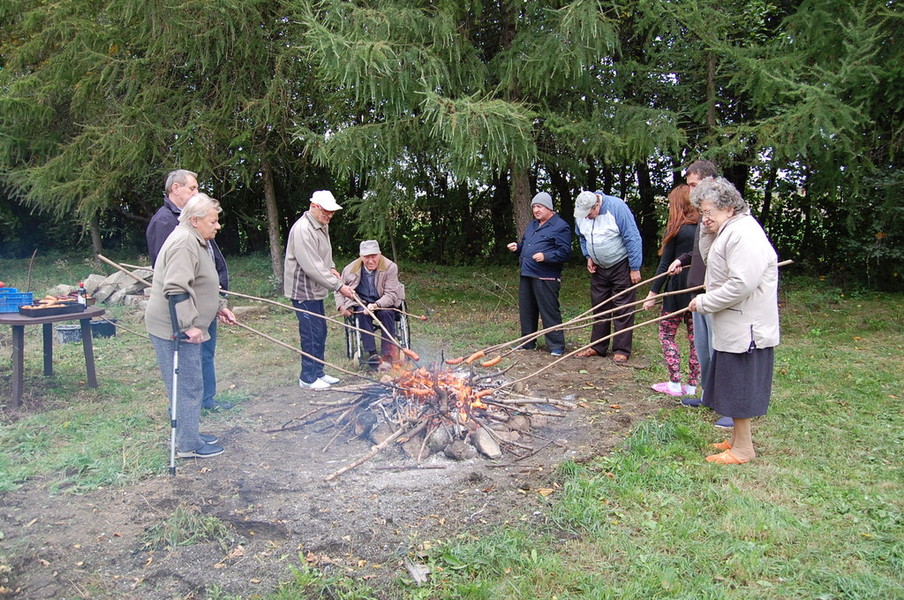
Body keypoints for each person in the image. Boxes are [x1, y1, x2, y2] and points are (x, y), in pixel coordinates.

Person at [688, 177, 779, 464]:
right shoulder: (728, 230)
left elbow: (742, 284)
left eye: (708, 211)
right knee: (733, 383)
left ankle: (744, 450)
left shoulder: (743, 234)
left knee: (740, 387)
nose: (704, 218)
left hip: (748, 328)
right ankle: (738, 440)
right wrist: (707, 229)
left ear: (729, 208)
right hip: (735, 325)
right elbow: (711, 261)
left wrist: (704, 302)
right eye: (701, 212)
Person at [145, 193, 237, 458]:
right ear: (195, 220)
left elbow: (200, 282)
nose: (217, 226)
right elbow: (176, 288)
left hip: (181, 324)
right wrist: (187, 325)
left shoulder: (195, 239)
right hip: (173, 327)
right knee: (188, 385)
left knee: (190, 383)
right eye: (213, 221)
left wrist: (219, 306)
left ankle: (189, 432)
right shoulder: (185, 242)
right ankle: (187, 445)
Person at [668, 160, 733, 427]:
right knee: (704, 348)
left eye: (694, 184)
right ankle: (709, 395)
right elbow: (701, 251)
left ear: (710, 182)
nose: (690, 190)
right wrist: (683, 259)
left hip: (717, 293)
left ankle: (729, 405)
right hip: (700, 291)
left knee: (722, 349)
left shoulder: (724, 214)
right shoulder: (703, 214)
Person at [284, 190, 355, 390]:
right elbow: (312, 267)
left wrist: (331, 267)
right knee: (311, 333)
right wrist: (339, 287)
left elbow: (324, 254)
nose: (330, 215)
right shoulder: (303, 229)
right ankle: (307, 378)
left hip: (315, 289)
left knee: (321, 330)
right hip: (303, 290)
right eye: (326, 211)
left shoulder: (321, 225)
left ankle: (318, 372)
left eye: (332, 212)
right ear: (313, 207)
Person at [573, 190, 643, 362]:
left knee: (623, 307)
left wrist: (635, 267)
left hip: (621, 264)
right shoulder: (581, 214)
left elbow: (632, 237)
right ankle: (598, 346)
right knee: (599, 306)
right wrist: (588, 256)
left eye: (589, 213)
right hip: (598, 267)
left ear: (597, 205)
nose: (586, 217)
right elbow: (582, 237)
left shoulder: (617, 208)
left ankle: (621, 349)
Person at [643, 184, 700, 396]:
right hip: (698, 289)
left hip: (676, 290)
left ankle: (675, 382)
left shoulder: (676, 229)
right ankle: (692, 385)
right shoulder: (704, 228)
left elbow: (664, 264)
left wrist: (652, 295)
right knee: (696, 339)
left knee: (667, 333)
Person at [506, 192, 572, 356]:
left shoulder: (560, 226)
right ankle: (528, 343)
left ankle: (556, 346)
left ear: (549, 208)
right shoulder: (532, 225)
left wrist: (546, 256)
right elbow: (526, 245)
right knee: (527, 311)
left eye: (540, 206)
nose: (536, 210)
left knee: (549, 311)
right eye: (534, 207)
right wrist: (518, 248)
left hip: (546, 276)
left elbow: (565, 252)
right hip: (527, 273)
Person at [336, 240, 405, 368]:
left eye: (374, 256)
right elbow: (339, 289)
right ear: (361, 256)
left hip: (384, 301)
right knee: (362, 315)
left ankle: (388, 353)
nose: (370, 260)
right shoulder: (350, 269)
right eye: (366, 257)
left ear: (380, 254)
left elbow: (391, 295)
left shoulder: (390, 267)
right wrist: (341, 307)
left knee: (386, 314)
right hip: (361, 302)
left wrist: (376, 305)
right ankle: (372, 354)